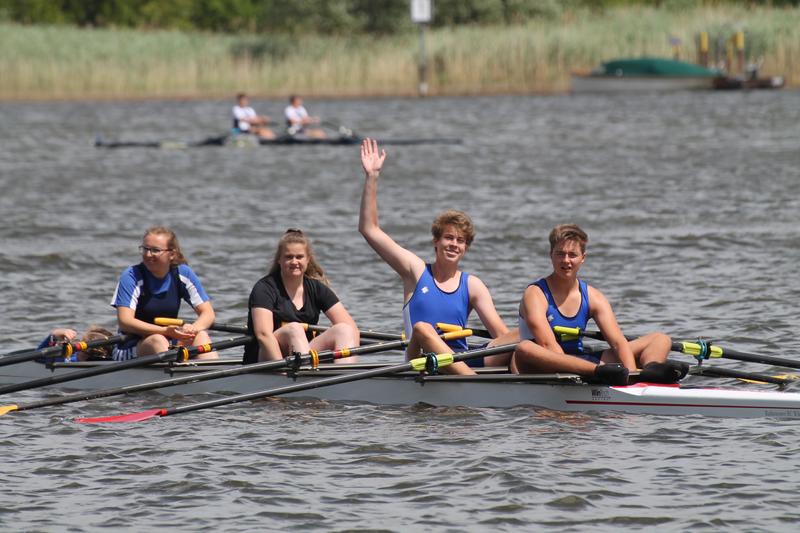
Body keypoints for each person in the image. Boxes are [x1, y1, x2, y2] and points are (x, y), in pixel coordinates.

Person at [358, 138, 516, 376]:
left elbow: (501, 337)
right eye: (448, 238)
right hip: (422, 361)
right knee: (422, 328)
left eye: (460, 240)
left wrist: (532, 333)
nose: (454, 244)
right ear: (436, 241)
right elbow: (369, 229)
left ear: (466, 248)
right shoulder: (416, 271)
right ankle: (472, 386)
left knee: (527, 329)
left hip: (462, 360)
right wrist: (372, 177)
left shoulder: (472, 285)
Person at [512, 224, 686, 384]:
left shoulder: (594, 297)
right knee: (525, 348)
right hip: (541, 365)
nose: (566, 261)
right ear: (551, 255)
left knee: (660, 339)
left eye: (572, 255)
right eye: (560, 254)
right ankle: (600, 372)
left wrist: (631, 379)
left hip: (583, 362)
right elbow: (546, 345)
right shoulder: (535, 294)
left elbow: (618, 342)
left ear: (583, 258)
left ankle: (649, 371)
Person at [243, 228, 360, 364]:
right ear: (279, 260)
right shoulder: (264, 288)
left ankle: (344, 376)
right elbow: (263, 335)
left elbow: (352, 329)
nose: (294, 262)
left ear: (308, 260)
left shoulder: (316, 288)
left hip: (301, 355)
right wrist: (282, 373)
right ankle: (305, 376)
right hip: (267, 359)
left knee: (345, 330)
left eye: (299, 257)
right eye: (288, 257)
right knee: (294, 329)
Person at [110, 226, 218, 361]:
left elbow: (208, 314)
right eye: (145, 249)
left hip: (169, 342)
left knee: (201, 336)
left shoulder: (182, 273)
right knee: (158, 340)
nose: (148, 255)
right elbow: (125, 321)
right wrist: (165, 331)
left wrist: (192, 329)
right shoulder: (132, 276)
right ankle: (180, 375)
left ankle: (217, 377)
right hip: (129, 346)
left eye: (155, 250)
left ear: (172, 254)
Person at [35, 326, 115, 362]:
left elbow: (38, 356)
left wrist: (54, 335)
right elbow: (37, 356)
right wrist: (56, 334)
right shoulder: (65, 359)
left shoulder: (65, 359)